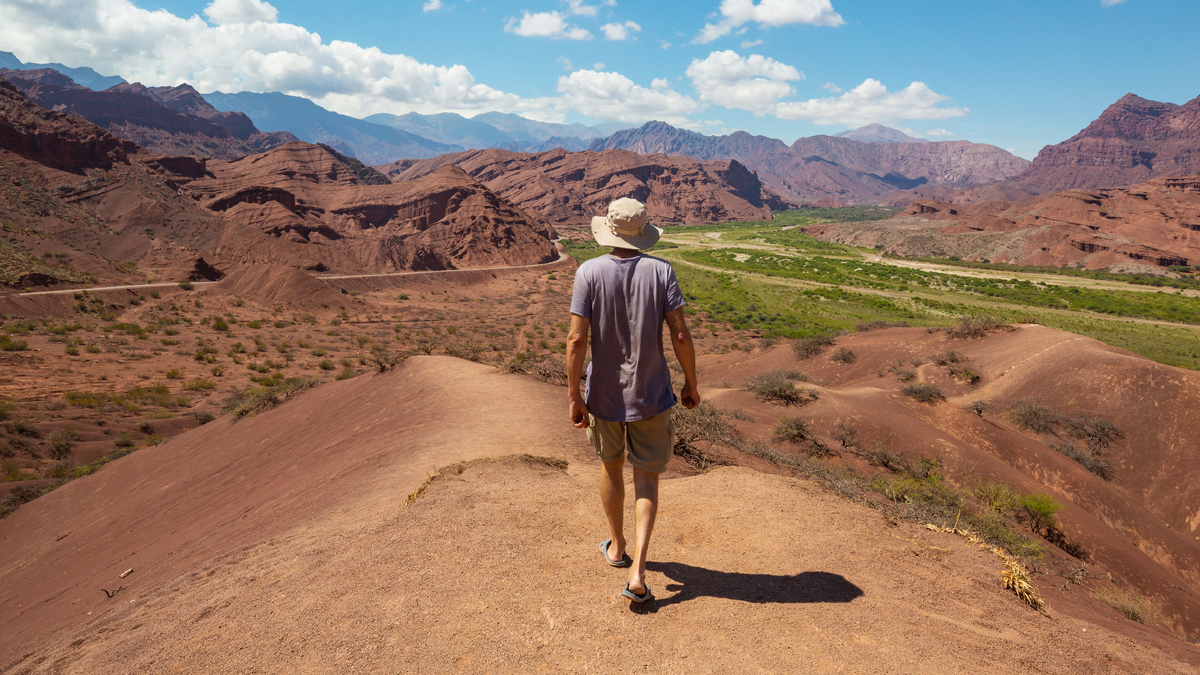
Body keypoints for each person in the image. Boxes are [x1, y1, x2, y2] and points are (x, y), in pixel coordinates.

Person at [566, 197, 700, 604]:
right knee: (646, 478)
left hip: (603, 394)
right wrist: (692, 383)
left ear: (608, 230)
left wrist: (575, 395)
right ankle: (639, 571)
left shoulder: (588, 272)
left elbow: (576, 339)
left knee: (611, 468)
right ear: (643, 232)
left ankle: (618, 547)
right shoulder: (662, 271)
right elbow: (680, 334)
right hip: (651, 394)